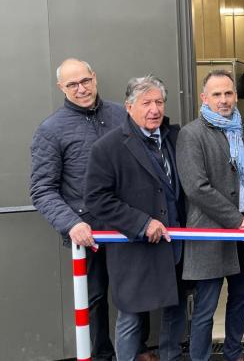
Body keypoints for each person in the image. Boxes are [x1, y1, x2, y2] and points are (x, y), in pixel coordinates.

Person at [30, 58, 156, 361]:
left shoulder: (122, 114)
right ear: (61, 87)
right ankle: (101, 355)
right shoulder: (50, 130)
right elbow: (42, 189)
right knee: (95, 298)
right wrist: (71, 224)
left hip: (129, 225)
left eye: (85, 81)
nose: (81, 89)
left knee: (137, 292)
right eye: (72, 84)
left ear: (94, 78)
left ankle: (139, 350)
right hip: (89, 233)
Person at [85, 75, 187, 361]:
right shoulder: (108, 148)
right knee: (130, 318)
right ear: (129, 107)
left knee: (175, 311)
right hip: (135, 249)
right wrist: (142, 223)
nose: (154, 109)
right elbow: (96, 199)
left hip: (175, 245)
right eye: (146, 103)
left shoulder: (175, 137)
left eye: (159, 102)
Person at [175, 69, 244, 361]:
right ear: (204, 98)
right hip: (210, 234)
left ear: (236, 96)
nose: (223, 100)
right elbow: (196, 188)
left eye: (228, 93)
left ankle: (233, 353)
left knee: (240, 300)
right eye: (217, 94)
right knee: (205, 307)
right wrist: (238, 222)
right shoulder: (191, 134)